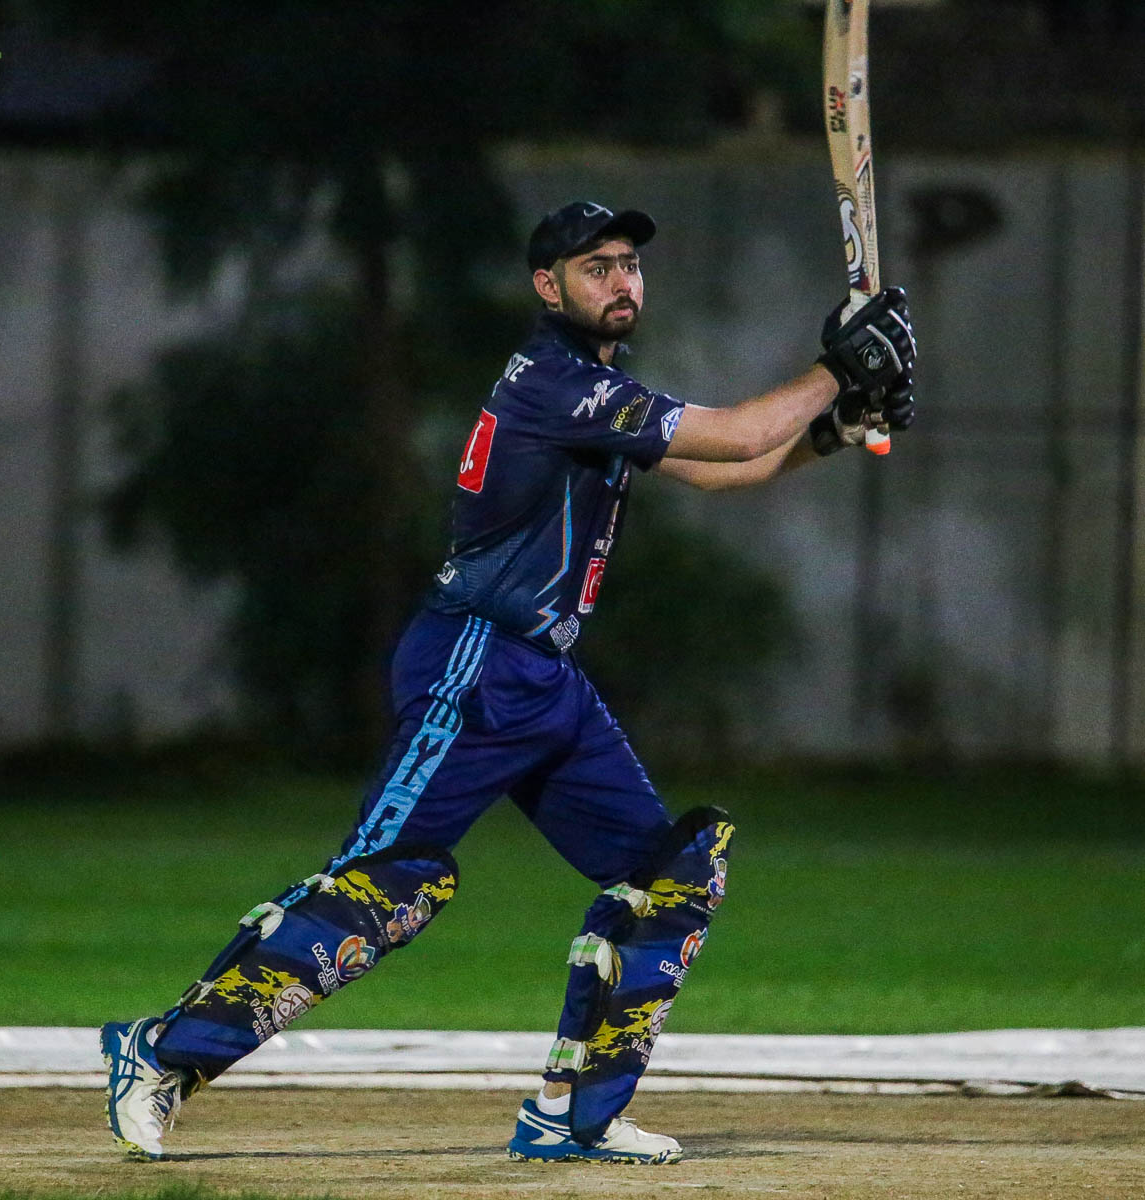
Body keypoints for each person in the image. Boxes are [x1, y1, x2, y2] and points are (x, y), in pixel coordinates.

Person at [101, 200, 915, 1165]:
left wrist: (834, 426)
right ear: (547, 287)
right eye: (596, 267)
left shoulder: (595, 391)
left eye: (629, 263)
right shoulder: (554, 384)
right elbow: (738, 436)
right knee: (385, 885)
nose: (621, 280)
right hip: (475, 663)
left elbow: (721, 470)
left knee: (670, 877)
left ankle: (574, 1115)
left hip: (542, 678)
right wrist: (838, 370)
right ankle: (162, 1053)